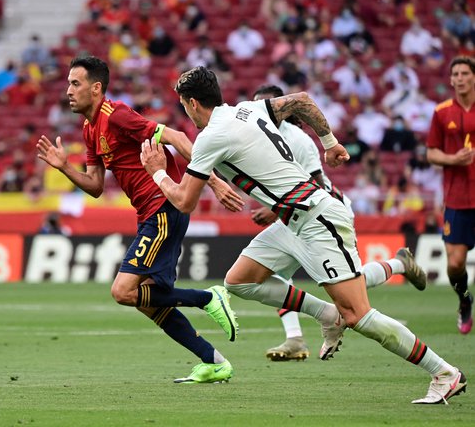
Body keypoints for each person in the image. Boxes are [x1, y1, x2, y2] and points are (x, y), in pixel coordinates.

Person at [140, 66, 466, 403]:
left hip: (316, 218)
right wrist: (330, 142)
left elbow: (184, 201)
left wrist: (158, 172)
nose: (185, 112)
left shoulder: (211, 136)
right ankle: (327, 314)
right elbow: (302, 101)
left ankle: (444, 372)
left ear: (192, 103)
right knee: (240, 280)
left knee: (358, 314)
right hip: (292, 220)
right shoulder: (248, 109)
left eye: (183, 105)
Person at [37, 56, 243, 383]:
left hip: (162, 207)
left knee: (123, 291)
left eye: (75, 84)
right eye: (68, 84)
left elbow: (176, 137)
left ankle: (208, 298)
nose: (68, 91)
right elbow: (95, 186)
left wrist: (213, 182)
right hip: (151, 213)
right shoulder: (90, 129)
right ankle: (213, 361)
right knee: (147, 300)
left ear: (96, 87)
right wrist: (64, 167)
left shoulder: (115, 115)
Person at [249, 85, 426, 361]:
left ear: (282, 108)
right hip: (296, 216)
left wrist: (274, 211)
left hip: (325, 215)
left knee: (348, 287)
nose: (260, 113)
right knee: (273, 276)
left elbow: (317, 185)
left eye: (267, 106)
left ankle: (399, 265)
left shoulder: (298, 140)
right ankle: (295, 338)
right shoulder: (260, 138)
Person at [426, 56, 475, 335]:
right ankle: (464, 300)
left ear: (473, 77)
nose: (459, 77)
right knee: (454, 264)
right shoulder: (442, 112)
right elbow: (431, 152)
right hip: (457, 199)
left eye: (465, 73)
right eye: (455, 73)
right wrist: (453, 159)